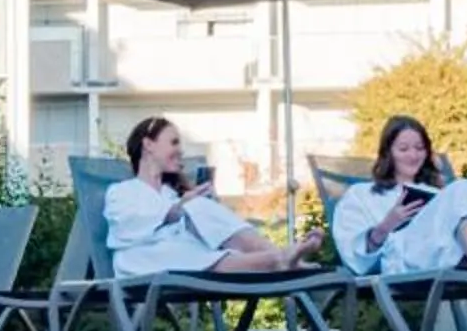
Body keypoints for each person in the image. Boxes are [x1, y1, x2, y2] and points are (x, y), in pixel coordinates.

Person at [106, 118, 325, 280]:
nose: (180, 150)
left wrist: (195, 209)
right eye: (173, 142)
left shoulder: (170, 194)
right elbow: (127, 227)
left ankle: (280, 256)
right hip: (142, 260)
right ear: (148, 145)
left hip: (181, 255)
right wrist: (177, 210)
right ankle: (279, 259)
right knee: (194, 226)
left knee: (200, 209)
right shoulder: (120, 192)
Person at [330, 115, 467, 276]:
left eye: (420, 148)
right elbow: (354, 256)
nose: (413, 155)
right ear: (387, 153)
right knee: (461, 188)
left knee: (463, 194)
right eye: (403, 149)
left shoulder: (440, 195)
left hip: (444, 258)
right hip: (402, 260)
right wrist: (386, 225)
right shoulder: (361, 195)